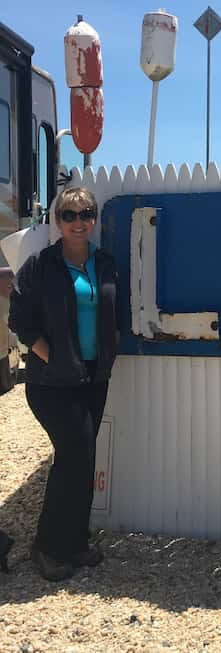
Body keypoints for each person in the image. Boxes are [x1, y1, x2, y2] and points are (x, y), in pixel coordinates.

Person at [8, 187, 118, 581]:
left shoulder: (104, 264)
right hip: (53, 383)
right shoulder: (41, 266)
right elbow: (20, 320)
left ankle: (74, 543)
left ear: (94, 219)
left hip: (93, 377)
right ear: (57, 221)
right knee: (72, 458)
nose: (78, 221)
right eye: (69, 215)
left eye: (86, 213)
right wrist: (53, 357)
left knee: (83, 461)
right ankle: (47, 547)